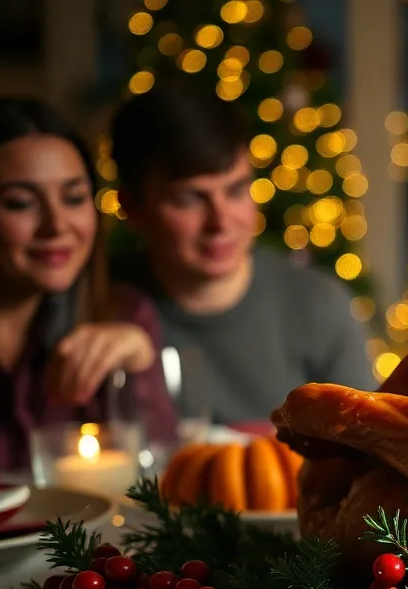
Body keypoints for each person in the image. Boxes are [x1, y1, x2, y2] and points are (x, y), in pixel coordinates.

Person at [110, 78, 375, 425]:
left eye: (235, 191)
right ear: (132, 208)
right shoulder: (101, 305)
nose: (221, 221)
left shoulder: (319, 306)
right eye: (189, 199)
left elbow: (366, 445)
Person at [0, 98, 175, 476]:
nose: (57, 225)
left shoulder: (123, 315)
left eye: (74, 198)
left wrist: (140, 366)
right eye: (20, 203)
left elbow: (163, 476)